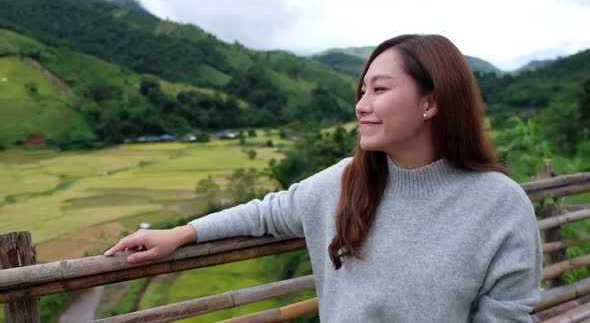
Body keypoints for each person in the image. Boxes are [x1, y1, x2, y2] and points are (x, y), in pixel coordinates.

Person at [104, 34, 543, 322]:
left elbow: (507, 312)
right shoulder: (346, 181)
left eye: (381, 90)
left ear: (431, 102)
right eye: (362, 91)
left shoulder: (497, 203)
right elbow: (267, 212)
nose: (362, 106)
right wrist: (182, 232)